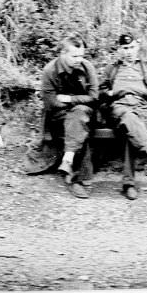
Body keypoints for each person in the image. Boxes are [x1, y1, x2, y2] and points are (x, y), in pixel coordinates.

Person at [99, 32, 147, 200]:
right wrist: (114, 92)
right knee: (129, 119)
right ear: (119, 49)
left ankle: (129, 184)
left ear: (138, 47)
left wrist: (141, 91)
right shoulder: (112, 69)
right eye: (125, 48)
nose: (128, 51)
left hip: (142, 108)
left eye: (131, 47)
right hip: (119, 108)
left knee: (130, 129)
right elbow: (100, 93)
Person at [40, 33, 99, 199]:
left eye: (81, 55)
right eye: (74, 56)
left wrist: (70, 99)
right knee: (77, 122)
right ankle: (81, 180)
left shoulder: (87, 68)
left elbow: (94, 98)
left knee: (79, 118)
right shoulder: (50, 71)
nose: (79, 59)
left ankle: (69, 163)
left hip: (87, 114)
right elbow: (50, 103)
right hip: (59, 117)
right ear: (62, 53)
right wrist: (76, 105)